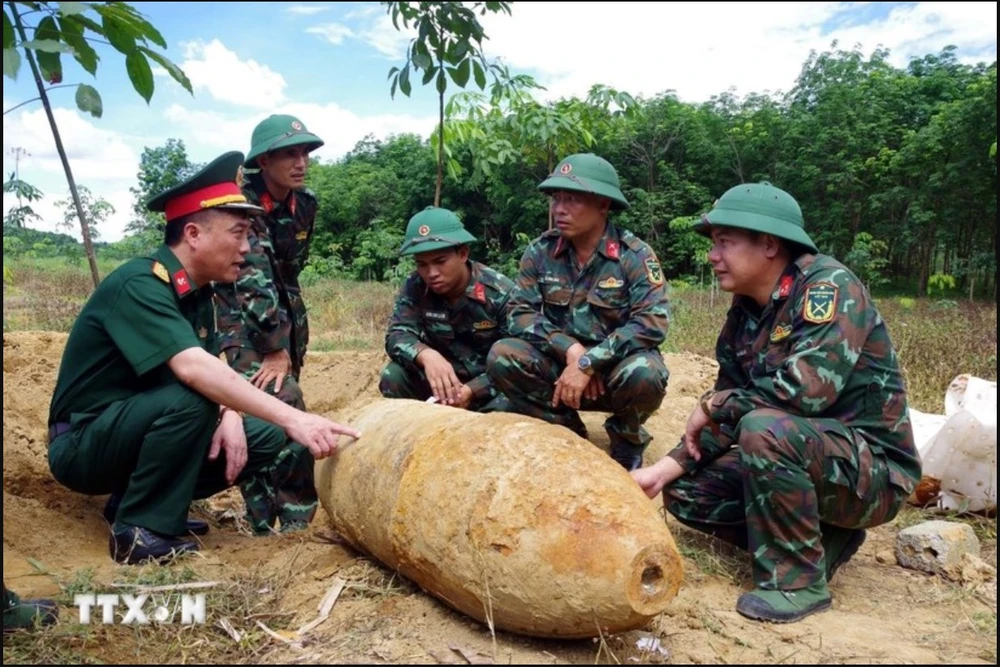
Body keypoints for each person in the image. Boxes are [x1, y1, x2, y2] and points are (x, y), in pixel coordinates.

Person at [46, 150, 361, 566]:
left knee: (263, 434)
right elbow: (194, 369)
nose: (247, 248)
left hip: (129, 433)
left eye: (249, 235)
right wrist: (297, 418)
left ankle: (142, 501)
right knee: (198, 399)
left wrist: (232, 416)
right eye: (237, 233)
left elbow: (216, 368)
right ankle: (139, 531)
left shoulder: (200, 294)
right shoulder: (141, 284)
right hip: (83, 445)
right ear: (193, 234)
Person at [630, 181, 921, 623]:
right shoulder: (744, 313)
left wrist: (712, 405)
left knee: (764, 428)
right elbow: (731, 409)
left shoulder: (829, 288)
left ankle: (798, 583)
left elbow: (805, 392)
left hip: (872, 474)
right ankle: (823, 539)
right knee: (688, 493)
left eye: (724, 242)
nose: (712, 255)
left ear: (768, 244)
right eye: (713, 243)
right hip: (808, 454)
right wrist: (663, 470)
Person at [486, 153, 670, 471]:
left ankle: (627, 441)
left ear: (603, 205)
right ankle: (566, 430)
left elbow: (652, 323)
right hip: (561, 372)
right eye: (556, 199)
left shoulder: (634, 256)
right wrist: (570, 350)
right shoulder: (540, 251)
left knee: (646, 371)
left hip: (614, 374)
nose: (559, 209)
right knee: (503, 354)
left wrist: (590, 362)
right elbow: (519, 312)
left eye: (571, 199)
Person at [213, 114, 324, 535]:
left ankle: (270, 516)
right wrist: (275, 348)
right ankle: (288, 518)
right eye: (289, 154)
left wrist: (289, 339)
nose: (301, 162)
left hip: (286, 319)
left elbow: (289, 273)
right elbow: (250, 278)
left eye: (304, 153)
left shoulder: (305, 205)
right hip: (241, 325)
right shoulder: (240, 205)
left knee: (269, 410)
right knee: (283, 404)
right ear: (264, 160)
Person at [379, 206, 515, 412]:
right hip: (439, 384)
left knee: (513, 403)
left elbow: (518, 358)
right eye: (421, 264)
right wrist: (425, 355)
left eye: (440, 261)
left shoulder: (500, 292)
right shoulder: (416, 286)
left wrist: (473, 390)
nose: (431, 273)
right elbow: (397, 334)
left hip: (488, 386)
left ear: (462, 253)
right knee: (393, 376)